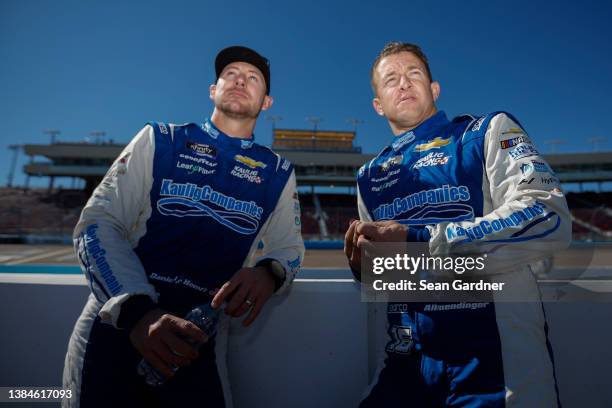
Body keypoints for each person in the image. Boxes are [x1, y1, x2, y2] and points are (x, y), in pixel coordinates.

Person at [63, 45, 304, 408]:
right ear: (213, 90)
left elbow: (288, 248)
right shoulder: (161, 139)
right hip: (116, 329)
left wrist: (269, 273)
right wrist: (137, 313)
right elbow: (97, 224)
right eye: (231, 74)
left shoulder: (277, 173)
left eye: (252, 77)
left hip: (197, 341)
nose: (240, 80)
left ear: (266, 102)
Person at [344, 42, 571, 407]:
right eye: (391, 80)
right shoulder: (368, 176)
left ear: (434, 90)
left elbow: (547, 214)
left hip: (495, 368)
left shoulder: (485, 132)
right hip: (407, 366)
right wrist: (365, 269)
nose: (403, 83)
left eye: (413, 74)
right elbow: (390, 276)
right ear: (378, 105)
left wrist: (420, 240)